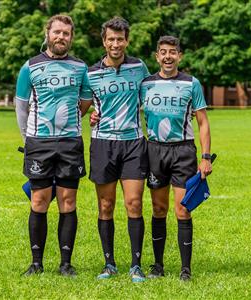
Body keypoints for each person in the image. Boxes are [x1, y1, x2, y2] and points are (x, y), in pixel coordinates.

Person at [14, 14, 92, 277]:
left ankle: (66, 264)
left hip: (70, 143)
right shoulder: (30, 67)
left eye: (66, 33)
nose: (61, 37)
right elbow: (21, 106)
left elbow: (84, 103)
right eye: (57, 32)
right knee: (39, 200)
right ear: (47, 33)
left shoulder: (80, 68)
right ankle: (36, 263)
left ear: (71, 37)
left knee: (68, 201)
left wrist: (67, 121)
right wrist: (29, 139)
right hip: (39, 143)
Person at [140, 36, 212, 281]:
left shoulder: (191, 83)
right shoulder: (146, 84)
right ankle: (158, 266)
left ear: (180, 56)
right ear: (157, 56)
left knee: (182, 209)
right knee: (159, 209)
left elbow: (202, 122)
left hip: (182, 151)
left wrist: (205, 157)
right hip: (155, 151)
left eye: (172, 52)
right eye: (163, 52)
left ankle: (185, 269)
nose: (168, 56)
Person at [87, 17, 150, 282]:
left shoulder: (139, 67)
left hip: (133, 142)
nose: (116, 44)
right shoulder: (89, 73)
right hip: (103, 143)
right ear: (104, 41)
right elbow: (82, 102)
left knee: (134, 203)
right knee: (106, 204)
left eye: (120, 39)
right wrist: (91, 112)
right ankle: (109, 264)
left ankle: (136, 266)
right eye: (111, 39)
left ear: (127, 40)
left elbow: (152, 93)